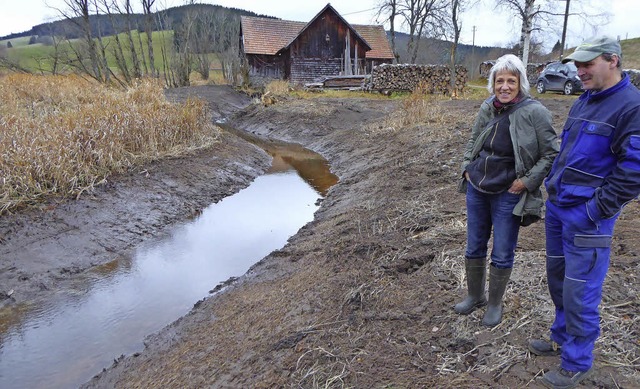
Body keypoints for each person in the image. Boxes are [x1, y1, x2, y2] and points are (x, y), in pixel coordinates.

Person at [529, 36, 640, 389]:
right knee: (559, 282)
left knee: (581, 290)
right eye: (577, 65)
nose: (579, 71)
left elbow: (634, 170)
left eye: (587, 64)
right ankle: (561, 337)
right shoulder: (585, 100)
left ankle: (577, 362)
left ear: (612, 60)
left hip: (587, 218)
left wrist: (594, 211)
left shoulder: (631, 107)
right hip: (559, 209)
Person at [456, 54, 559, 327]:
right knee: (474, 245)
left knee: (502, 250)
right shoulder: (487, 107)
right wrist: (467, 167)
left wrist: (526, 182)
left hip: (508, 192)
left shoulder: (535, 112)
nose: (504, 86)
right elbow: (472, 140)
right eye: (499, 80)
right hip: (477, 187)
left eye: (510, 81)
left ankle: (494, 303)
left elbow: (550, 153)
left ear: (520, 83)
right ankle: (475, 296)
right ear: (493, 83)